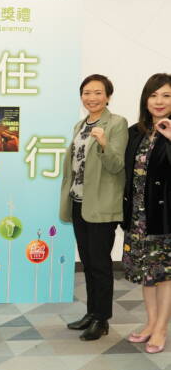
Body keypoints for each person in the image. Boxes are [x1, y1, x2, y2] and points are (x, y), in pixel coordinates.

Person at [60, 74, 127, 341]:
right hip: (79, 202)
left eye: (98, 92)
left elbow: (117, 165)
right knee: (88, 262)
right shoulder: (80, 125)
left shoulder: (117, 123)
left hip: (101, 205)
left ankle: (102, 319)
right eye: (87, 93)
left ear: (108, 96)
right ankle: (91, 312)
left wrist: (103, 143)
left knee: (100, 264)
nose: (92, 98)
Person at [123, 73, 171, 354]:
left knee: (164, 275)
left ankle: (161, 328)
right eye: (153, 95)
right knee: (146, 274)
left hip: (164, 217)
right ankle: (151, 322)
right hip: (137, 216)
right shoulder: (136, 131)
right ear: (145, 100)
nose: (159, 101)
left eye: (166, 95)